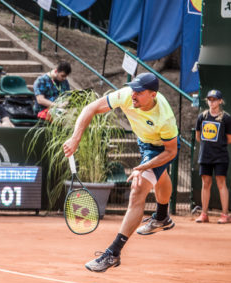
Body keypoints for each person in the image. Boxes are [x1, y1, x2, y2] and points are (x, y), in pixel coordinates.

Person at [63, 73, 179, 272]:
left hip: (160, 148)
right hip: (144, 140)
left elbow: (171, 152)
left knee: (137, 191)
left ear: (152, 95)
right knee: (160, 175)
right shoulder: (127, 95)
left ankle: (113, 253)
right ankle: (162, 217)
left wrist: (142, 167)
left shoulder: (164, 118)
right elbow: (91, 108)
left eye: (139, 92)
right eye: (133, 90)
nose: (134, 95)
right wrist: (75, 139)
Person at [195, 89, 231, 224]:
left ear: (220, 101)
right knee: (205, 184)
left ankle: (225, 215)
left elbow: (229, 138)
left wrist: (217, 145)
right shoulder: (202, 117)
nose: (212, 102)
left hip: (220, 157)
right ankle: (204, 214)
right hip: (205, 156)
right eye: (209, 99)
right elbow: (198, 137)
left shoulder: (226, 118)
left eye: (214, 99)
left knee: (222, 184)